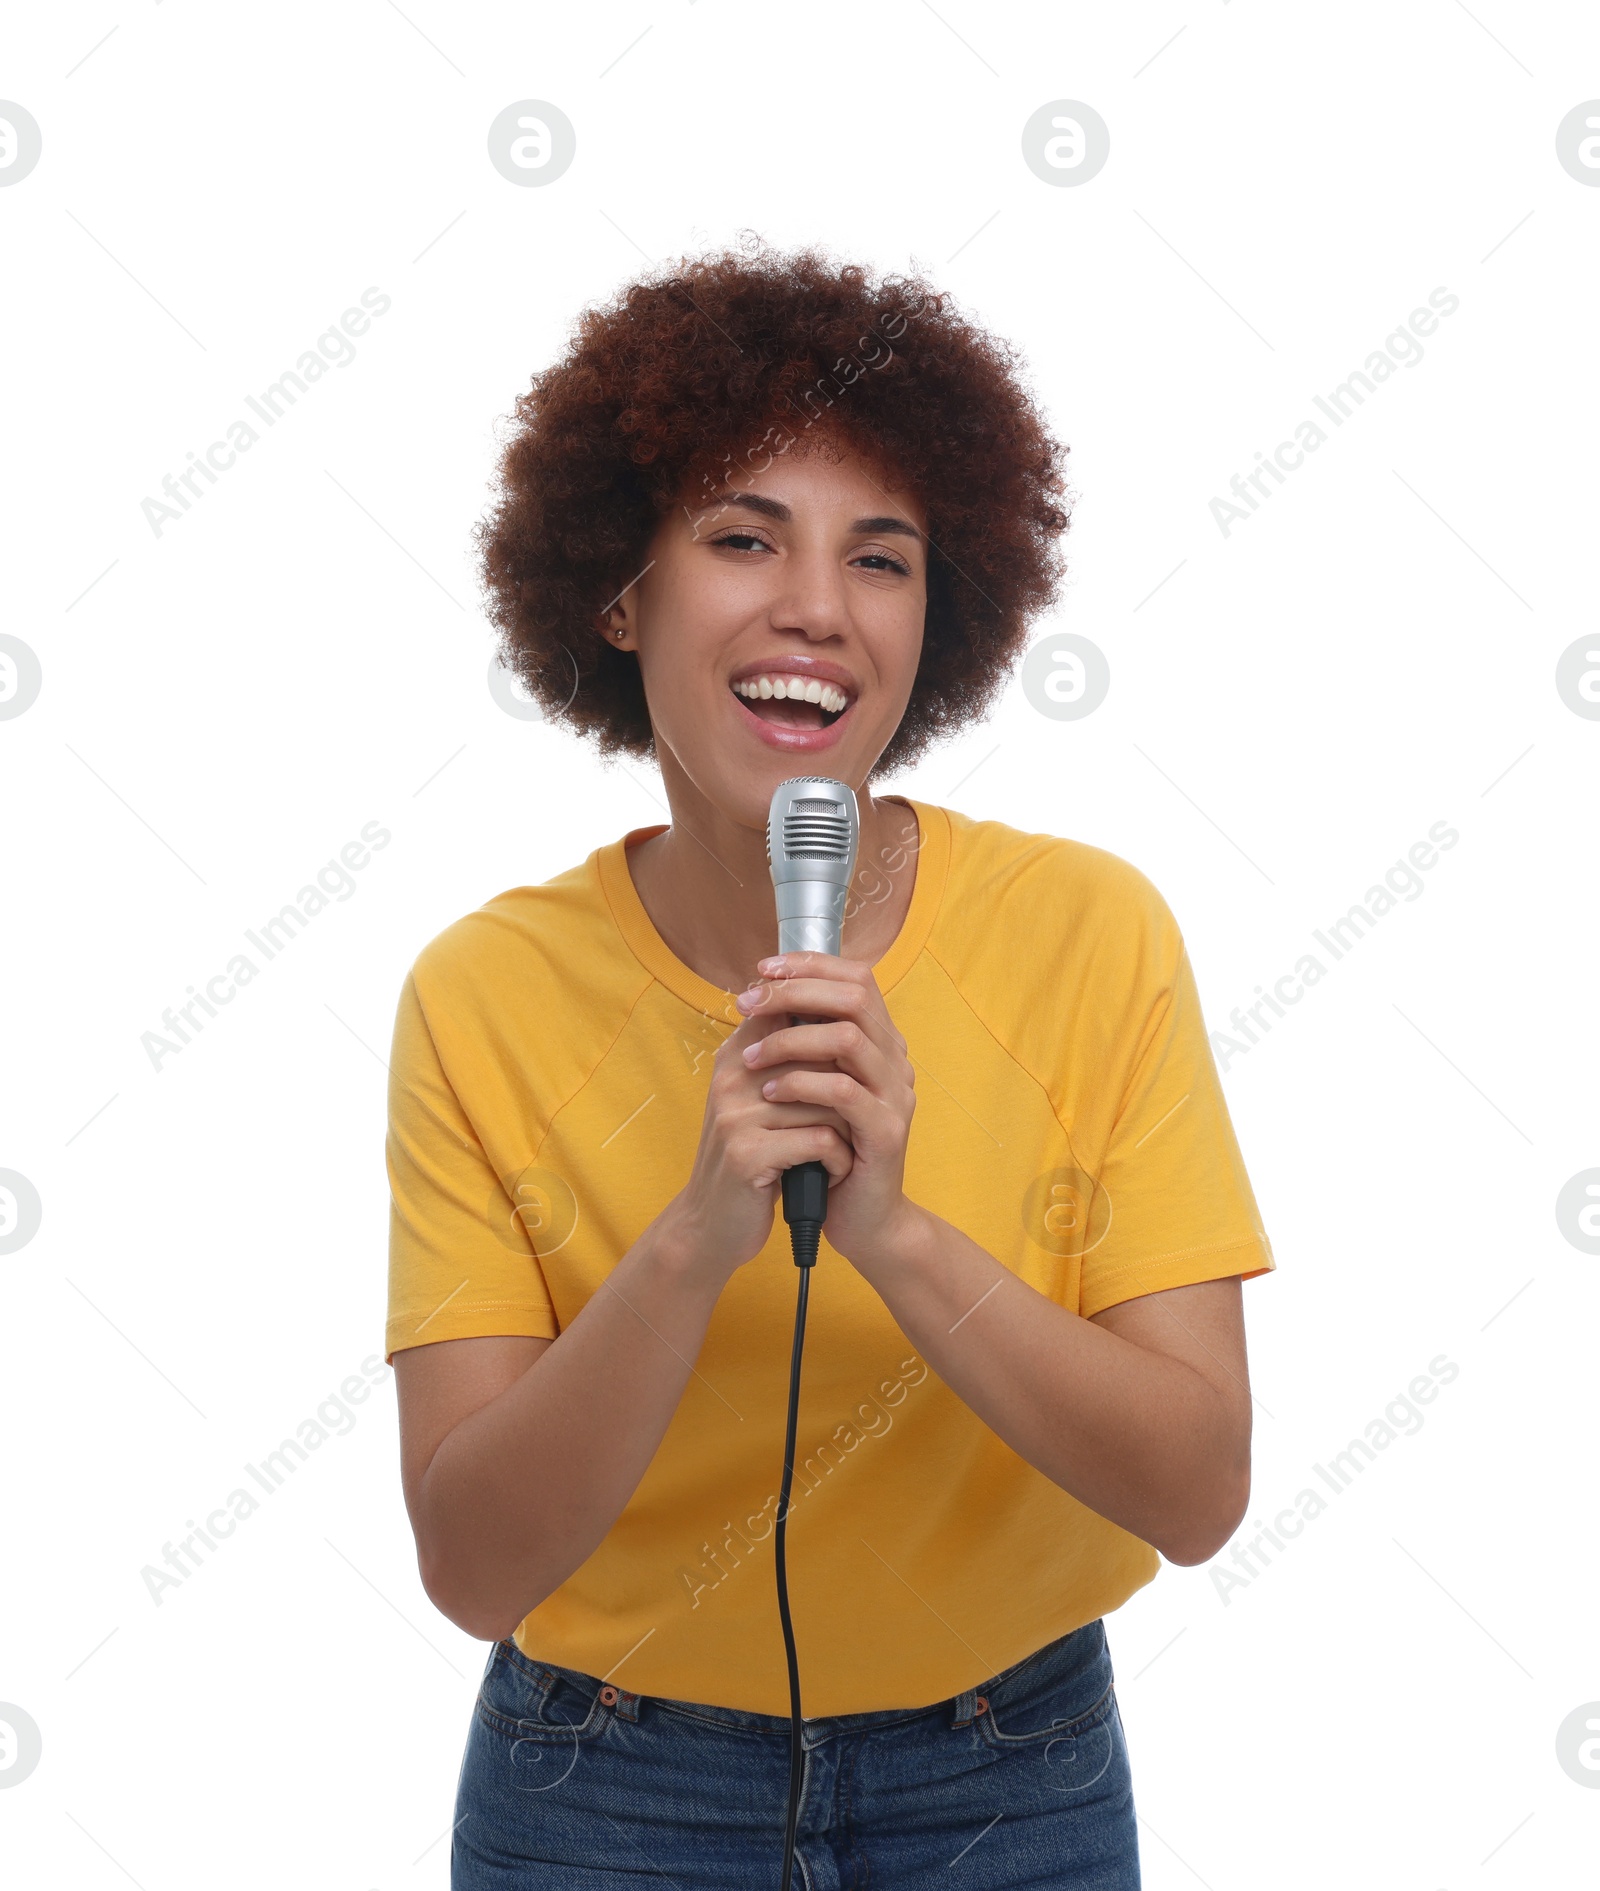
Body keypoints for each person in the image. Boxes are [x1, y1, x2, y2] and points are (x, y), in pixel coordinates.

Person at [384, 239, 1274, 1889]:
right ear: (618, 589)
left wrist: (899, 1237)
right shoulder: (484, 993)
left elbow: (1202, 1489)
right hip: (602, 1790)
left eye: (883, 558)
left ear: (942, 618)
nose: (814, 606)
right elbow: (474, 1565)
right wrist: (696, 1240)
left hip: (1013, 1774)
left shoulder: (1091, 934)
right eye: (742, 537)